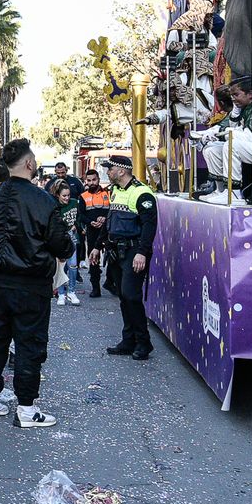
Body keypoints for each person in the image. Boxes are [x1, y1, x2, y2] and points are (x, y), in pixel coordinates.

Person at [0, 139, 73, 428]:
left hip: (0, 282)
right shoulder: (43, 200)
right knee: (29, 345)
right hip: (31, 283)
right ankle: (27, 408)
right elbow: (61, 244)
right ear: (29, 164)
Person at [101, 155, 160, 361]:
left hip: (134, 252)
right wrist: (101, 246)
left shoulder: (142, 193)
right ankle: (128, 341)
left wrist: (142, 252)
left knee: (131, 296)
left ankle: (144, 343)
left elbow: (149, 226)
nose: (107, 172)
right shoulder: (115, 190)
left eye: (110, 168)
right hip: (116, 251)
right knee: (123, 297)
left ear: (122, 170)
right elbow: (112, 220)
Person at [49, 179, 83, 307]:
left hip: (73, 237)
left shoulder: (74, 203)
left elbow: (80, 217)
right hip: (59, 239)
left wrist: (76, 225)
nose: (67, 198)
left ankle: (72, 291)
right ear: (58, 195)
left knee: (73, 265)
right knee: (61, 267)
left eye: (68, 195)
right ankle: (61, 293)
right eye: (64, 196)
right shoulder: (54, 206)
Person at [80, 168, 111, 298]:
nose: (92, 182)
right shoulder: (83, 196)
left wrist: (105, 218)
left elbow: (113, 209)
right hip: (92, 231)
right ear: (86, 181)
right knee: (93, 260)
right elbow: (80, 215)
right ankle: (95, 288)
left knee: (113, 259)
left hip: (108, 230)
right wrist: (91, 222)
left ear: (98, 179)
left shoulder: (109, 194)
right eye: (89, 180)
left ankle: (111, 283)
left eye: (94, 180)